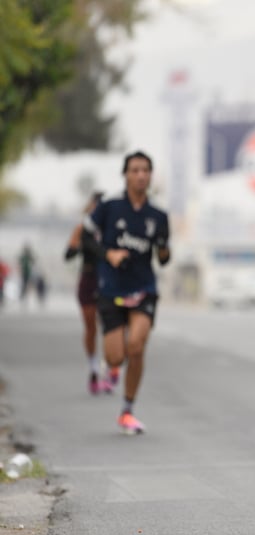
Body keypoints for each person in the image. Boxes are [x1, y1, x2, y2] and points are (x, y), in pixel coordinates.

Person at [82, 151, 170, 435]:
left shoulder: (158, 216)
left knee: (137, 346)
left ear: (150, 176)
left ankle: (127, 410)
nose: (141, 175)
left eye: (145, 170)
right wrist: (109, 254)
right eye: (135, 170)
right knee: (117, 356)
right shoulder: (108, 207)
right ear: (126, 175)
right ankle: (113, 367)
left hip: (144, 289)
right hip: (110, 290)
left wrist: (165, 249)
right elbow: (85, 238)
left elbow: (163, 257)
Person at [65, 191, 121, 394]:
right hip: (89, 279)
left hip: (109, 281)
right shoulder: (82, 229)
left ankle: (111, 366)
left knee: (110, 325)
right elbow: (68, 255)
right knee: (90, 326)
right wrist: (81, 243)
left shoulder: (113, 229)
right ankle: (93, 367)